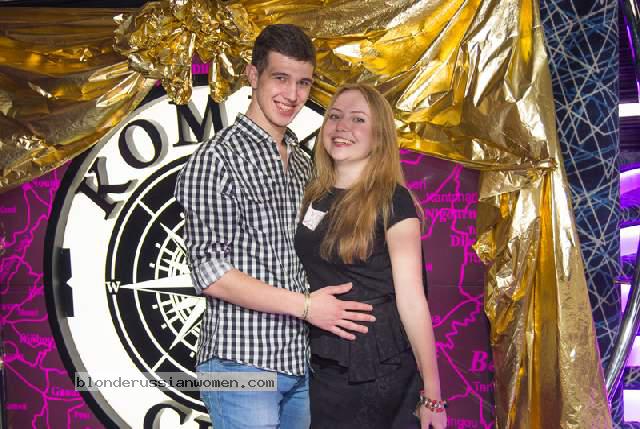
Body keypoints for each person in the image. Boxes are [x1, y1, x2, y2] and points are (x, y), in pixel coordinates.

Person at [175, 25, 374, 429]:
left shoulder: (303, 163)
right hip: (240, 361)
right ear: (253, 76)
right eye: (280, 78)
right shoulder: (216, 159)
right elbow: (211, 273)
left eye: (303, 83)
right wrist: (307, 307)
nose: (292, 95)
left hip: (301, 361)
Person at [295, 83, 448, 429]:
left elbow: (412, 299)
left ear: (379, 136)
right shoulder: (315, 195)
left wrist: (433, 395)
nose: (342, 126)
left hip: (374, 364)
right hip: (324, 358)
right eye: (334, 116)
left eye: (358, 119)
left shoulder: (393, 200)